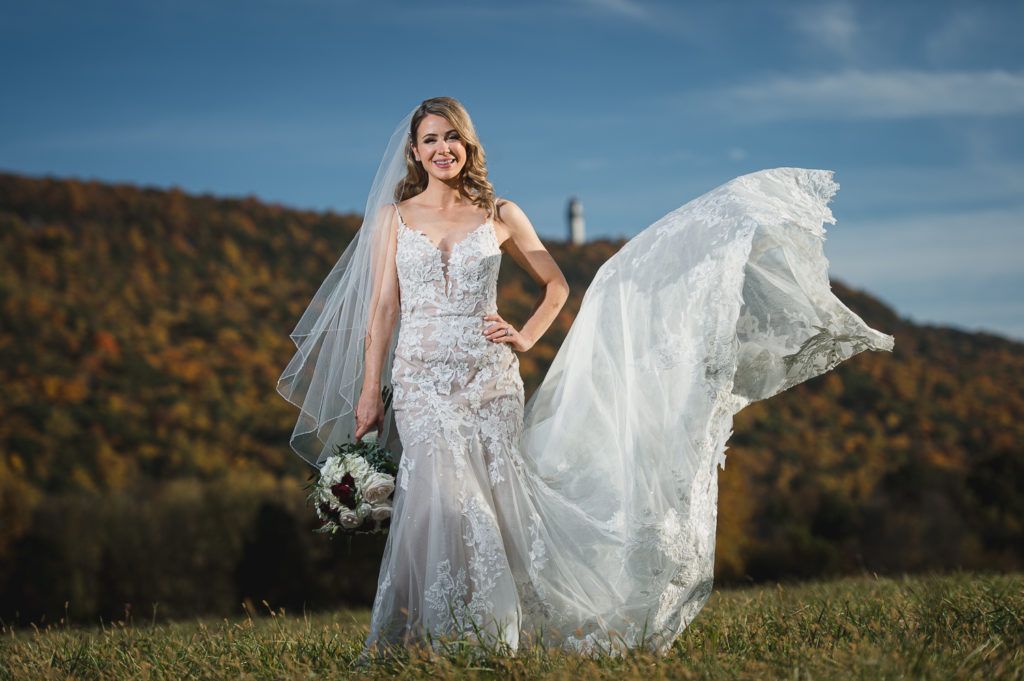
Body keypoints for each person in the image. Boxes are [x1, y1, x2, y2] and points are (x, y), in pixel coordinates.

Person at [277, 97, 896, 657]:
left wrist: (524, 336)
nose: (442, 149)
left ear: (468, 146)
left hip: (487, 378)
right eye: (431, 139)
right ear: (414, 151)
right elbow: (383, 308)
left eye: (453, 139)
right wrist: (368, 391)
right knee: (437, 499)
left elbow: (557, 285)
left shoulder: (500, 213)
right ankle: (432, 635)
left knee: (493, 499)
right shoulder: (392, 218)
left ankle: (493, 639)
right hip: (419, 379)